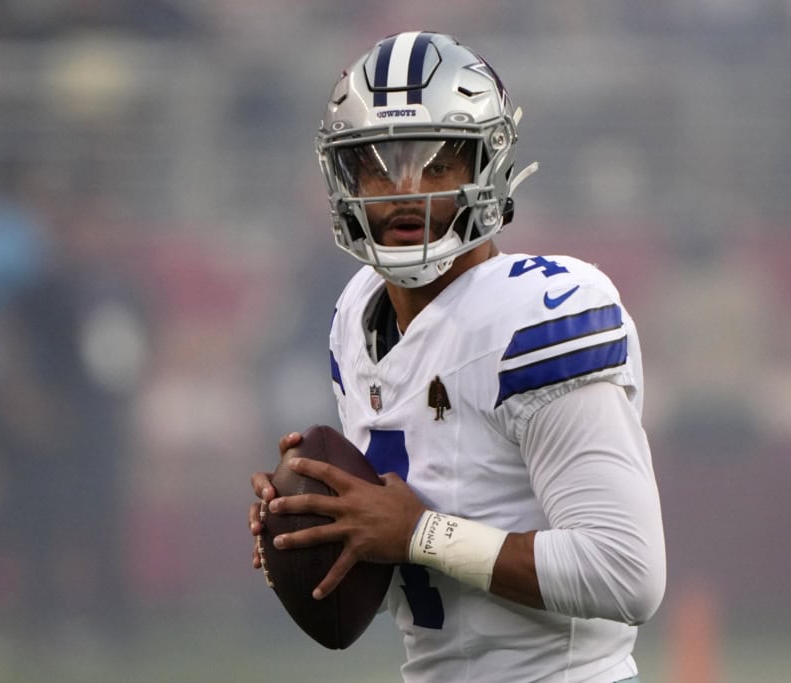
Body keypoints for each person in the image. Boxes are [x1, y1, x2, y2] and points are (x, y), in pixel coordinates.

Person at [249, 31, 665, 683]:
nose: (403, 190)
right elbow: (438, 587)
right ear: (343, 175)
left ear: (486, 167)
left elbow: (626, 571)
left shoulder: (544, 316)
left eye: (437, 162)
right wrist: (330, 525)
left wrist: (420, 534)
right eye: (378, 164)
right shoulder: (356, 318)